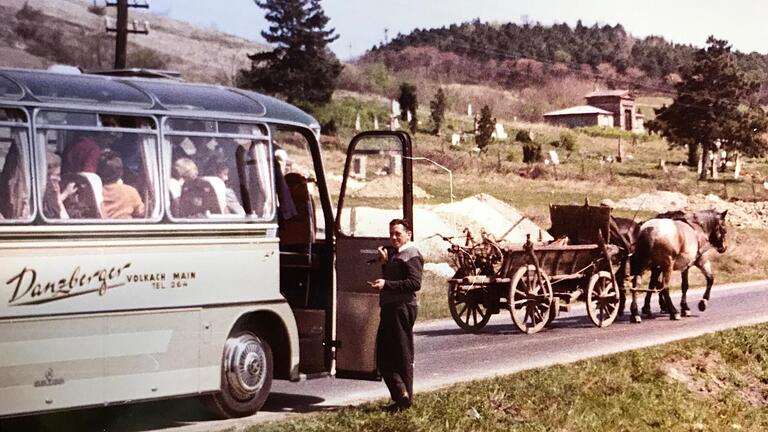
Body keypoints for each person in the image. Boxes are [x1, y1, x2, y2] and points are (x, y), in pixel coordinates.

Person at [368, 218, 423, 411]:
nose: (393, 237)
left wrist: (386, 284)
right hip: (392, 307)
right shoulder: (398, 254)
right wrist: (385, 264)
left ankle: (404, 400)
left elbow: (414, 283)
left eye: (397, 234)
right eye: (391, 233)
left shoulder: (411, 254)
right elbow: (395, 277)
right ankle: (401, 395)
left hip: (401, 307)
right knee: (384, 355)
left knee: (401, 353)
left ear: (409, 235)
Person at [97, 150, 145, 219]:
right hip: (125, 227)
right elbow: (141, 212)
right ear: (121, 173)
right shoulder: (130, 191)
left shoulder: (95, 192)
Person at [42, 153, 77, 219]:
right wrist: (65, 193)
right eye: (56, 175)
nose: (59, 179)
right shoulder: (45, 196)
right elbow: (64, 219)